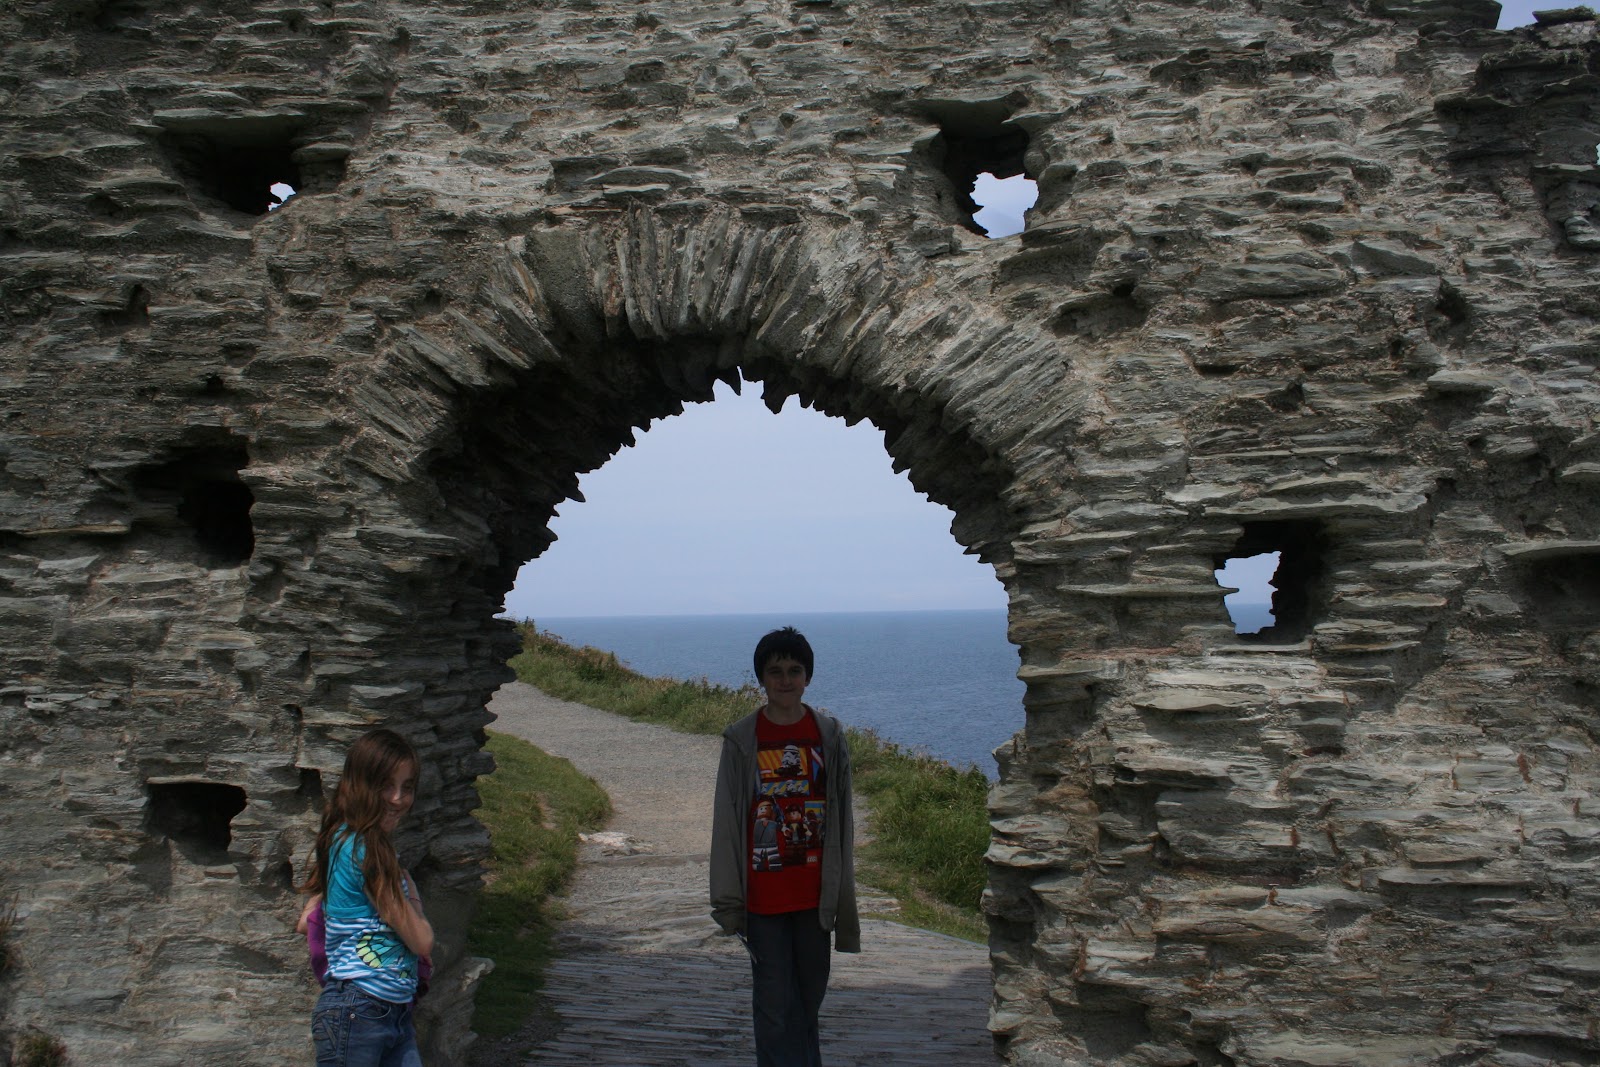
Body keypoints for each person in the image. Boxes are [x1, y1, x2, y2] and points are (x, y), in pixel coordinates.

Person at [710, 627, 860, 1067]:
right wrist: (728, 899)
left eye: (795, 670)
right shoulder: (742, 739)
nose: (786, 680)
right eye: (775, 671)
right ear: (761, 677)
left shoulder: (828, 735)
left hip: (814, 896)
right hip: (763, 898)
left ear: (808, 676)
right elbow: (727, 820)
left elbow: (843, 822)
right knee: (774, 1003)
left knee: (809, 1001)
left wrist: (842, 897)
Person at [300, 728, 434, 1067]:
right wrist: (414, 898)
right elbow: (421, 941)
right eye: (386, 785)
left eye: (407, 787)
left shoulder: (342, 839)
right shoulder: (366, 851)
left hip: (387, 1012)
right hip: (360, 1011)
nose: (397, 799)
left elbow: (307, 920)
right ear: (360, 784)